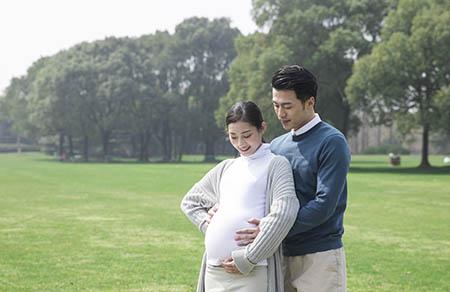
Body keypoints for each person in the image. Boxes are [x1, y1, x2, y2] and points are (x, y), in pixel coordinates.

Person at [233, 65, 351, 291]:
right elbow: (255, 188)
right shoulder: (276, 145)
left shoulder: (332, 142)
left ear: (310, 102)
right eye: (276, 105)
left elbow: (324, 204)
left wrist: (270, 228)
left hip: (319, 256)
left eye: (287, 106)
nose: (280, 113)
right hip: (277, 253)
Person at [181, 101, 299, 292]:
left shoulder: (276, 164)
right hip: (214, 271)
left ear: (262, 128)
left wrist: (248, 258)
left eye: (247, 135)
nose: (241, 144)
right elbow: (190, 202)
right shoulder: (227, 167)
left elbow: (284, 213)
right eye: (233, 137)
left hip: (252, 271)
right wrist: (208, 223)